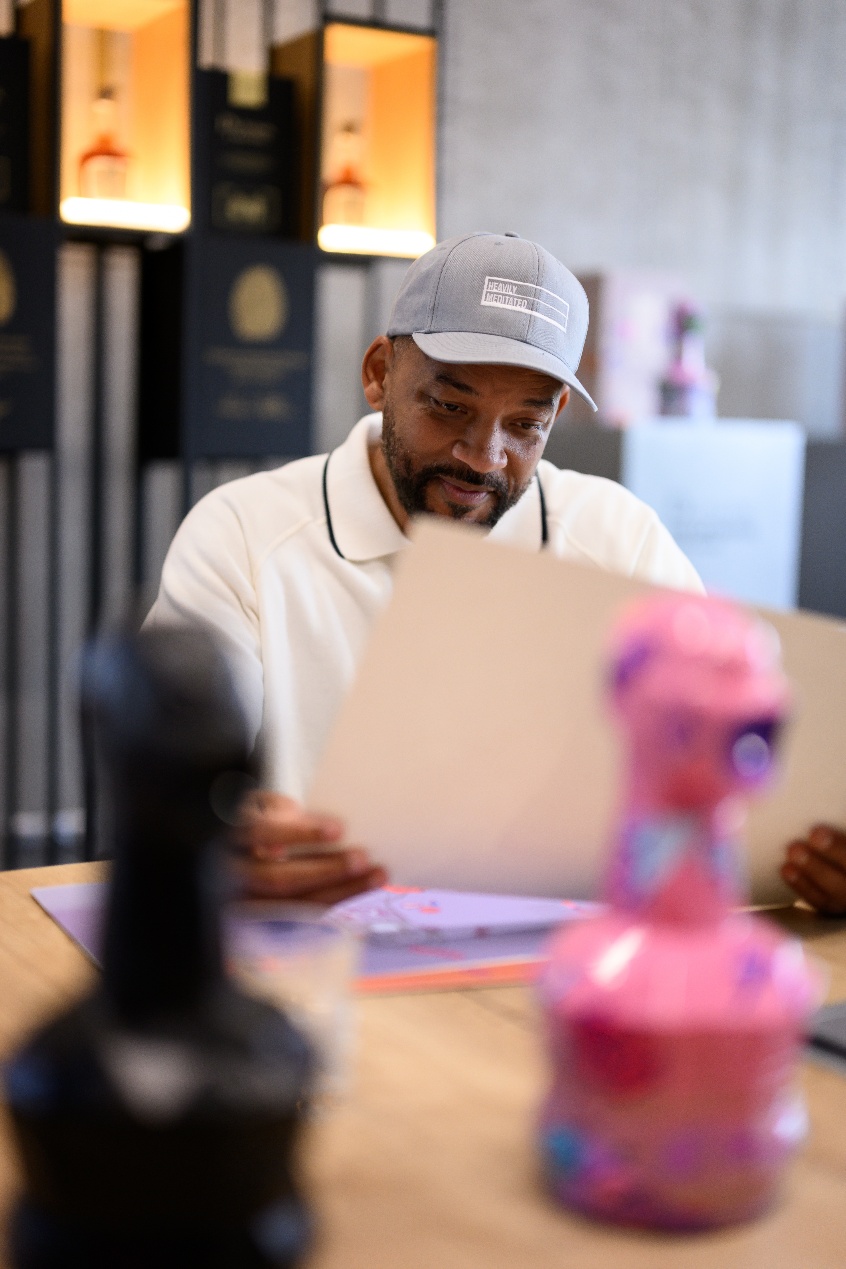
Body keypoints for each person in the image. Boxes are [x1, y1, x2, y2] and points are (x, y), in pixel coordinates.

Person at [147, 231, 840, 913]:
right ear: (380, 373)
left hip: (562, 956)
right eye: (450, 406)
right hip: (313, 939)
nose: (483, 456)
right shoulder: (244, 534)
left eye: (525, 425)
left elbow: (727, 758)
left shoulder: (618, 539)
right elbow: (166, 772)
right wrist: (208, 835)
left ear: (557, 414)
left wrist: (817, 852)